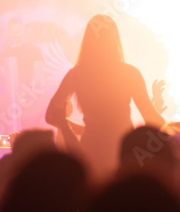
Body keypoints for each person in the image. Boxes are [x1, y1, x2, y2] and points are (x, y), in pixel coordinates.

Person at [46, 14, 164, 177]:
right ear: (115, 39)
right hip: (124, 151)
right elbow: (150, 116)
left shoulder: (77, 74)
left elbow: (50, 115)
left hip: (90, 150)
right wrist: (177, 138)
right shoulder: (129, 73)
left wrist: (71, 127)